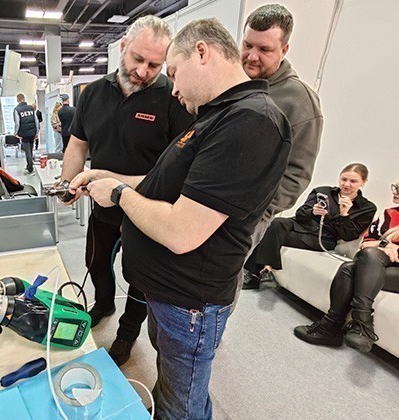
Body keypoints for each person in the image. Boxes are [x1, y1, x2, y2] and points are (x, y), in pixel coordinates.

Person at [69, 18, 291, 418]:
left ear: (201, 53)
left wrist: (117, 194)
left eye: (172, 71)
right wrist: (107, 176)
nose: (172, 87)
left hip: (190, 301)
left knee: (180, 407)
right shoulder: (218, 115)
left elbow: (181, 231)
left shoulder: (251, 121)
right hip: (169, 294)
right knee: (174, 387)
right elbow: (162, 185)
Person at [59, 15, 194, 367]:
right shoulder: (93, 93)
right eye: (138, 59)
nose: (143, 71)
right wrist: (67, 183)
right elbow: (78, 144)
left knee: (139, 279)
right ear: (123, 46)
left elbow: (177, 170)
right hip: (102, 207)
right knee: (95, 261)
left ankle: (127, 334)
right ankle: (103, 303)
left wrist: (116, 182)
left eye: (154, 65)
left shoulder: (173, 99)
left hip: (148, 211)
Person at [238, 3, 324, 292]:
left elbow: (297, 173)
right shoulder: (235, 82)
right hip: (209, 204)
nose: (251, 56)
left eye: (264, 49)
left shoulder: (299, 101)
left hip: (246, 218)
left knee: (218, 285)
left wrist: (259, 212)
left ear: (284, 49)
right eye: (247, 45)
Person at [294, 182, 399, 352]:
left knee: (354, 268)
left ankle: (332, 328)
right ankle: (358, 323)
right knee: (350, 267)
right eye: (395, 187)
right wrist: (385, 244)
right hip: (376, 263)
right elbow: (366, 244)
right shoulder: (389, 214)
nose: (395, 191)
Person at [243, 163, 377, 288]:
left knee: (269, 234)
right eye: (344, 179)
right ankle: (267, 269)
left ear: (363, 182)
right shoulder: (322, 191)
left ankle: (256, 273)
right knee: (275, 223)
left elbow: (349, 236)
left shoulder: (367, 208)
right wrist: (312, 211)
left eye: (353, 181)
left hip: (322, 238)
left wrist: (344, 215)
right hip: (301, 225)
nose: (346, 184)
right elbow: (300, 214)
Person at [13, 93, 39, 175]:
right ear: (24, 99)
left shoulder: (17, 110)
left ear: (18, 100)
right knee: (30, 149)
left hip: (23, 133)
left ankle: (30, 168)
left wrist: (15, 133)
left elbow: (17, 123)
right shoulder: (31, 108)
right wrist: (37, 132)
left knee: (27, 150)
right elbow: (36, 120)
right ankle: (29, 164)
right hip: (32, 132)